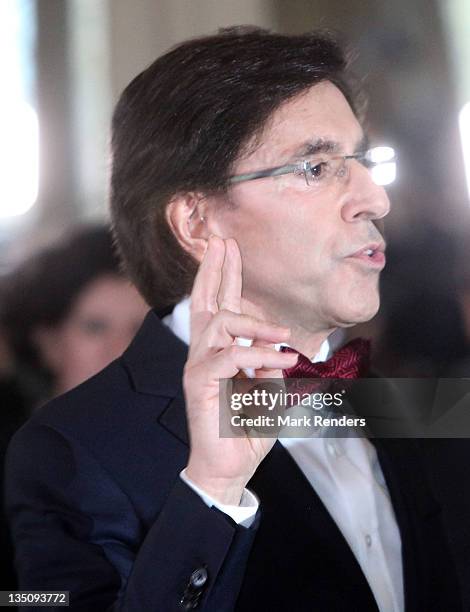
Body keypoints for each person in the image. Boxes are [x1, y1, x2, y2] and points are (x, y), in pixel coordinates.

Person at [5, 27, 462, 611]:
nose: (376, 199)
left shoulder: (416, 405)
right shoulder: (69, 451)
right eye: (316, 168)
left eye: (364, 160)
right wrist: (213, 492)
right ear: (197, 223)